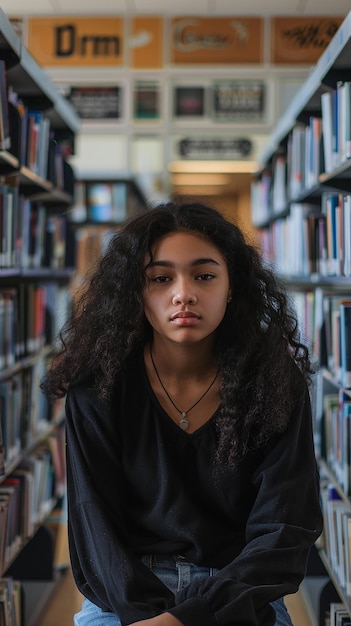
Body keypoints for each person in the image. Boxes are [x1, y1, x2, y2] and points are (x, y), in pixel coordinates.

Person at [41, 199, 323, 626]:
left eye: (205, 275)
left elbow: (285, 528)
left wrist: (187, 617)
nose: (184, 293)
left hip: (238, 587)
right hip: (125, 591)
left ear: (232, 287)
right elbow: (92, 524)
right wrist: (145, 615)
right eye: (160, 278)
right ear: (135, 291)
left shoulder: (274, 384)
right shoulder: (97, 389)